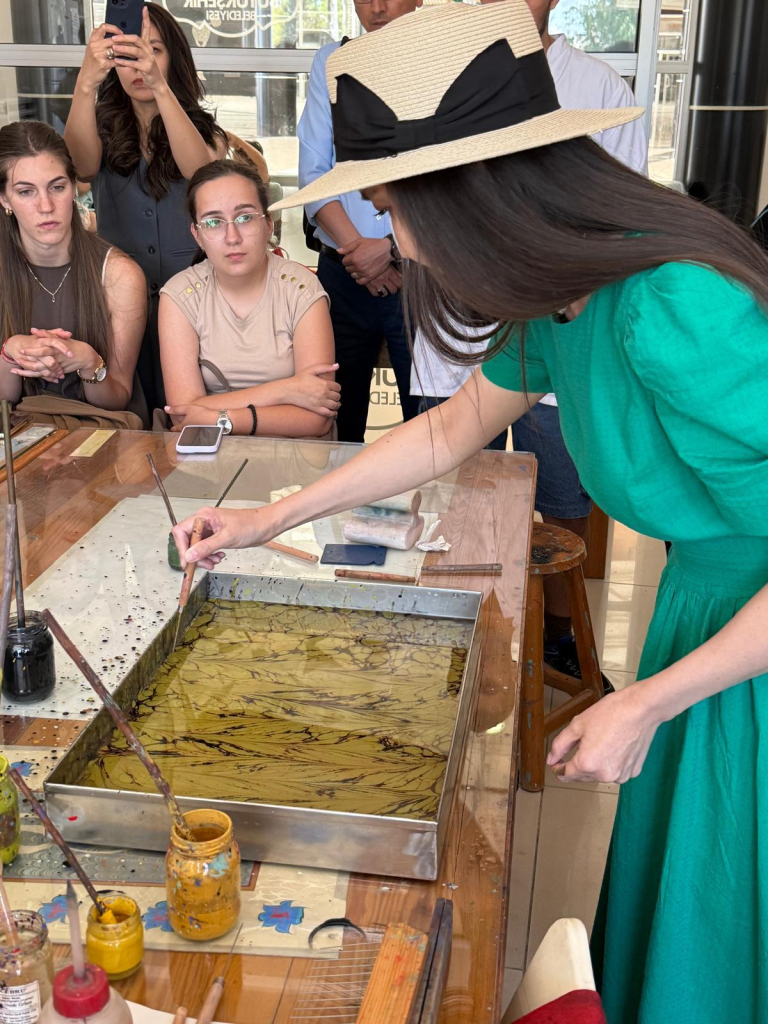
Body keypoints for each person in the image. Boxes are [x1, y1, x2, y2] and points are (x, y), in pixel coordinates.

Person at [173, 4, 768, 1021]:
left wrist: (646, 701)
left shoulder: (671, 303)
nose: (395, 238)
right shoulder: (567, 294)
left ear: (472, 196)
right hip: (706, 620)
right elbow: (448, 431)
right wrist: (270, 520)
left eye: (396, 208)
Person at [411, 0, 648, 685]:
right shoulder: (436, 80)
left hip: (560, 338)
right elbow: (445, 433)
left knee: (565, 500)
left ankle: (558, 640)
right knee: (463, 502)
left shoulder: (600, 90)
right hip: (471, 343)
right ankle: (471, 639)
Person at [64, 2, 227, 413]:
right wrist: (85, 82)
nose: (140, 65)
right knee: (127, 410)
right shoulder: (102, 126)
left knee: (192, 410)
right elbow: (80, 166)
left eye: (154, 50)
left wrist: (160, 89)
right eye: (128, 53)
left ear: (175, 58)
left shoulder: (204, 131)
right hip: (118, 304)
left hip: (196, 299)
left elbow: (203, 175)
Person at [297, 0, 422, 443]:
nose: (377, 7)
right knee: (335, 423)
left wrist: (390, 249)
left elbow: (452, 178)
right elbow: (315, 174)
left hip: (418, 276)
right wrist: (360, 256)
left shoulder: (439, 60)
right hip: (343, 275)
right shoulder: (331, 61)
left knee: (427, 425)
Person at [159, 160, 339, 439]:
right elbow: (183, 414)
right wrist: (285, 390)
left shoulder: (302, 288)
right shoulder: (180, 296)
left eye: (244, 218)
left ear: (268, 224)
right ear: (198, 235)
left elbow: (318, 419)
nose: (232, 237)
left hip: (296, 454)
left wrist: (221, 418)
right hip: (210, 456)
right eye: (213, 222)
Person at [0, 121, 145, 426]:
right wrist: (10, 354)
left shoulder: (120, 275)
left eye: (57, 187)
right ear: (4, 199)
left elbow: (118, 398)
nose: (46, 206)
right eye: (25, 191)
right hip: (20, 435)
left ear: (74, 187)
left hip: (103, 434)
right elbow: (4, 399)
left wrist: (90, 362)